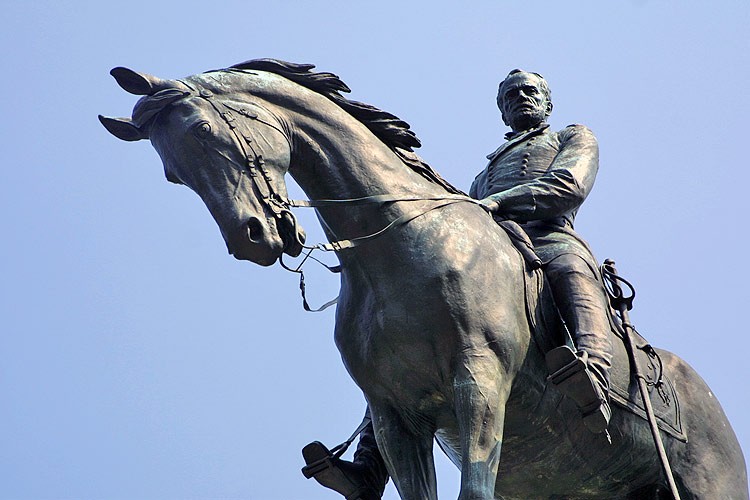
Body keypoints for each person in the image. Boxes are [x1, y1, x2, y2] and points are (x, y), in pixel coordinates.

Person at [302, 69, 613, 499]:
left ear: (547, 103)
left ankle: (594, 369)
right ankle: (369, 469)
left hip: (545, 234)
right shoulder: (484, 174)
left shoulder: (572, 136)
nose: (521, 98)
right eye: (511, 95)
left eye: (530, 91)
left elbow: (569, 185)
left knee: (571, 266)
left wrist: (498, 203)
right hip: (496, 247)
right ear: (502, 110)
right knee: (398, 352)